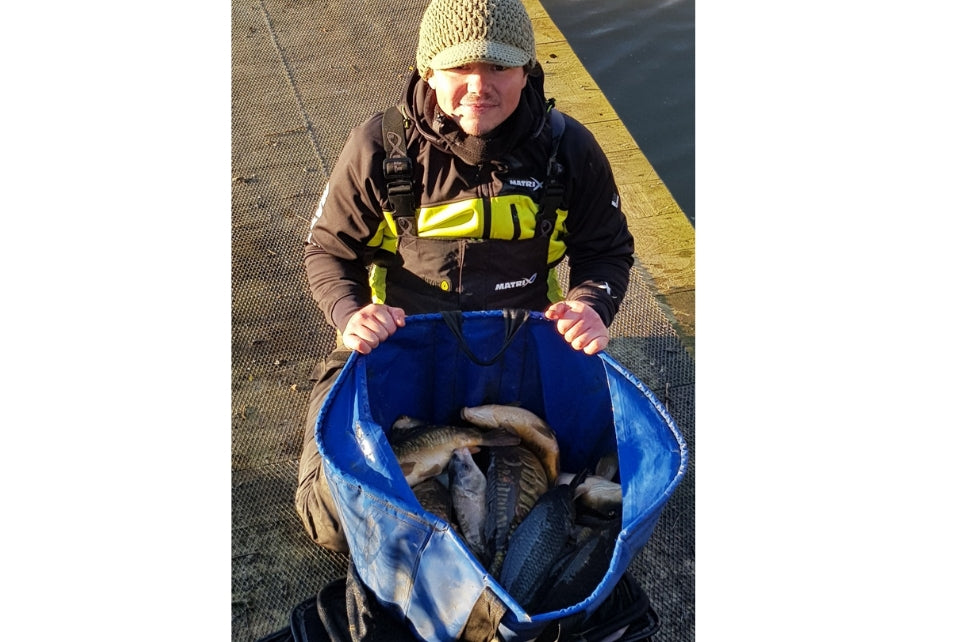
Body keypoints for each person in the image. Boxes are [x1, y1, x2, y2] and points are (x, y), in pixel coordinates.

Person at [295, 0, 635, 552]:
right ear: (428, 71)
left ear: (527, 70)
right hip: (399, 348)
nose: (480, 86)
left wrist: (590, 304)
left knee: (608, 480)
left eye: (499, 67)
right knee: (330, 518)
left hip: (521, 346)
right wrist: (352, 314)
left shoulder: (569, 150)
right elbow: (328, 252)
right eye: (460, 69)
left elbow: (608, 251)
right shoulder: (379, 148)